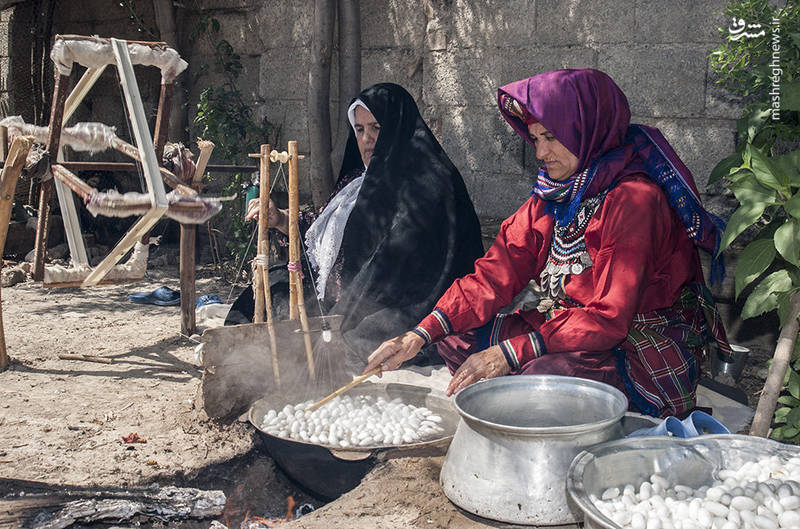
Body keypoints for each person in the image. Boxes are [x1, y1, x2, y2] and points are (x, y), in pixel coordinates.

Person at [365, 69, 732, 419]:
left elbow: (609, 319)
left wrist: (509, 354)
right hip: (568, 328)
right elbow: (493, 276)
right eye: (536, 138)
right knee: (452, 337)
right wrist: (418, 334)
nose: (540, 153)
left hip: (631, 341)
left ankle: (541, 395)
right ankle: (530, 395)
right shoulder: (554, 195)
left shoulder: (635, 200)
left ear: (587, 131)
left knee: (546, 373)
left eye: (552, 137)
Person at [227, 82, 485, 367]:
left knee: (350, 340)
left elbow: (390, 266)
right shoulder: (359, 180)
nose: (366, 139)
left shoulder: (428, 184)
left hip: (402, 300)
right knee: (274, 286)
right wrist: (281, 219)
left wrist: (341, 314)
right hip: (351, 291)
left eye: (376, 128)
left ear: (397, 128)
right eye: (359, 130)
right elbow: (331, 234)